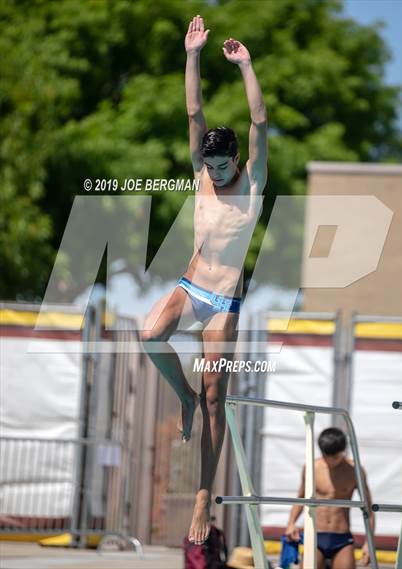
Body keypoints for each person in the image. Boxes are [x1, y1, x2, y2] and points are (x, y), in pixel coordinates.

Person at [141, 15, 267, 546]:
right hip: (192, 286)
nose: (213, 176)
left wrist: (245, 65)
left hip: (225, 302)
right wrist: (192, 54)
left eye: (220, 167)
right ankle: (183, 398)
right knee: (148, 336)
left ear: (235, 160)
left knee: (218, 395)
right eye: (208, 167)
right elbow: (193, 111)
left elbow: (259, 121)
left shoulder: (252, 182)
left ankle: (202, 495)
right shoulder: (200, 172)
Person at [285, 427, 375, 569]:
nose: (330, 462)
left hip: (342, 538)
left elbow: (369, 509)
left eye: (335, 457)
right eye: (326, 456)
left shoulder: (355, 471)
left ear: (343, 451)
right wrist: (291, 523)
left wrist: (369, 544)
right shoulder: (311, 468)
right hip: (315, 535)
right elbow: (301, 498)